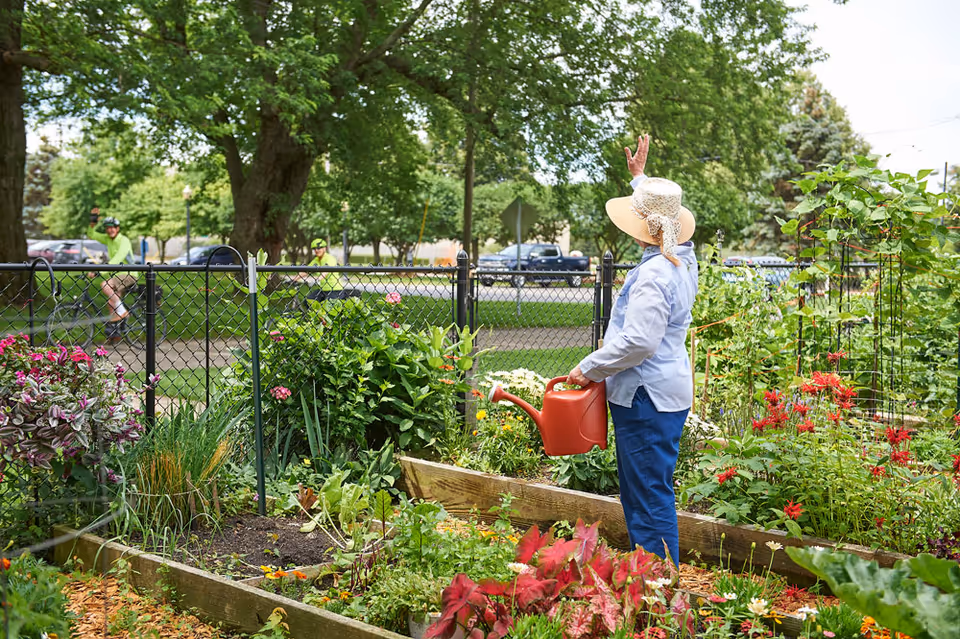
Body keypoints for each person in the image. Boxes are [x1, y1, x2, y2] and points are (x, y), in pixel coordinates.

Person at [566, 135, 698, 565]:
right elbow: (661, 216)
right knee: (648, 488)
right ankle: (654, 581)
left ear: (644, 229)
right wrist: (641, 178)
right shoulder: (682, 255)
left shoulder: (657, 273)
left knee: (646, 496)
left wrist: (589, 367)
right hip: (664, 393)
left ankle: (658, 589)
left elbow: (639, 341)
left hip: (645, 398)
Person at [87, 208, 136, 325]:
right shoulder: (108, 239)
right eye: (108, 228)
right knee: (111, 303)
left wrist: (100, 271)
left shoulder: (124, 240)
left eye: (113, 227)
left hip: (130, 274)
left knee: (105, 285)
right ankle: (116, 332)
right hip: (118, 275)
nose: (110, 230)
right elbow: (91, 234)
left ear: (117, 228)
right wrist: (93, 221)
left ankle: (123, 312)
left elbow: (118, 258)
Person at [302, 238, 346, 302]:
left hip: (335, 290)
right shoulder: (316, 260)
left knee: (329, 308)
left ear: (324, 248)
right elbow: (305, 271)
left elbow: (325, 272)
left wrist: (317, 280)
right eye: (314, 249)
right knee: (308, 301)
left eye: (319, 248)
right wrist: (293, 280)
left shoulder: (330, 258)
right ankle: (316, 312)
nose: (316, 250)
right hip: (323, 290)